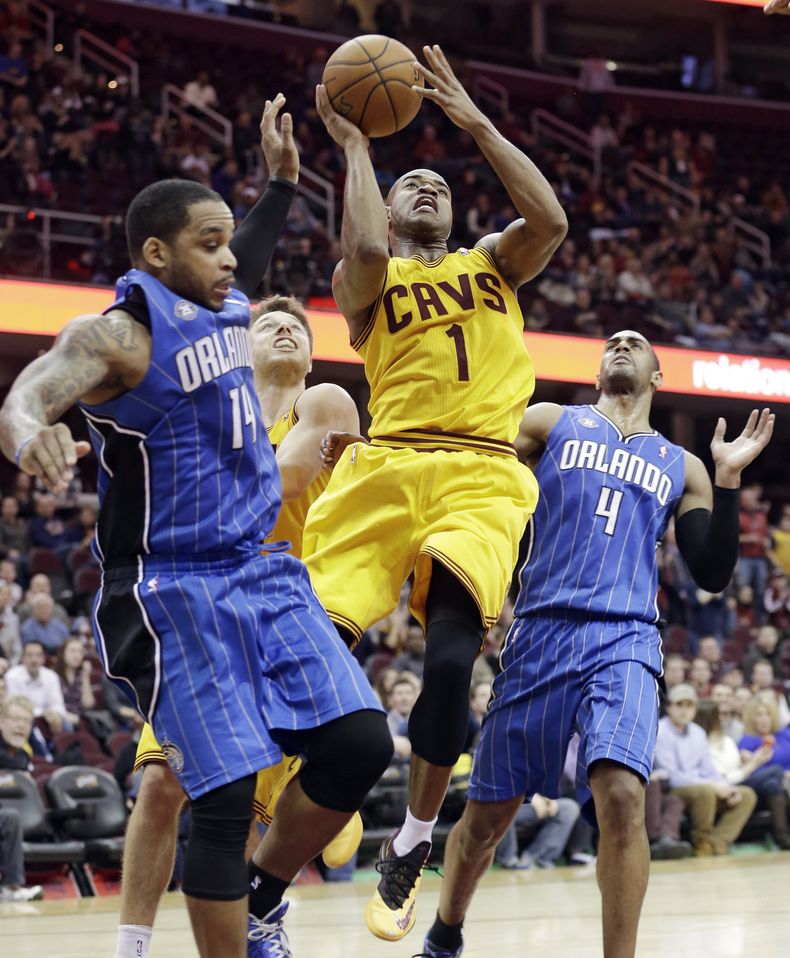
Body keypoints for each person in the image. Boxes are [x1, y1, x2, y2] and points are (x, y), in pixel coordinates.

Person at [0, 96, 392, 958]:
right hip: (173, 589)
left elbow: (247, 247)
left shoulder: (223, 303)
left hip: (260, 568)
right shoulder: (116, 339)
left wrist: (281, 185)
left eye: (226, 243)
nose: (229, 260)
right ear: (155, 254)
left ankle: (258, 899)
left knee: (360, 741)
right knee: (214, 797)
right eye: (206, 244)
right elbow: (30, 389)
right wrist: (30, 435)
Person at [310, 43, 567, 941]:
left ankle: (414, 839)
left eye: (439, 185)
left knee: (455, 660)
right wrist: (353, 148)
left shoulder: (493, 264)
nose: (427, 189)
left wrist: (476, 124)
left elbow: (551, 220)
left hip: (482, 472)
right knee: (316, 640)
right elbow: (367, 246)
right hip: (388, 463)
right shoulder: (364, 281)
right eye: (408, 181)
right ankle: (324, 788)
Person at [419, 330, 773, 958]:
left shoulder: (681, 464)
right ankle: (447, 930)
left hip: (625, 637)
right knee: (485, 822)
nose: (622, 343)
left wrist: (724, 479)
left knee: (622, 794)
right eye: (612, 340)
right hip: (540, 631)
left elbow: (713, 574)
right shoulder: (551, 422)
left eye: (636, 342)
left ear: (657, 376)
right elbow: (476, 470)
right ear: (599, 365)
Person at [115, 293, 368, 958]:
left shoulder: (325, 403)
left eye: (296, 326)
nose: (284, 327)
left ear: (312, 355)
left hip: (281, 615)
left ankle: (257, 917)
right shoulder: (213, 408)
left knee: (243, 804)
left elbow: (283, 480)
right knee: (162, 782)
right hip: (202, 606)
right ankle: (131, 944)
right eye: (267, 324)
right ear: (240, 349)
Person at [654, 684, 757, 856]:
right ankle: (701, 841)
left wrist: (726, 787)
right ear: (669, 707)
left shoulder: (698, 732)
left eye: (689, 706)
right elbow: (671, 776)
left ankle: (717, 842)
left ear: (695, 709)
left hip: (703, 786)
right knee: (706, 790)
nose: (684, 711)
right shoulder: (660, 731)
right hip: (673, 790)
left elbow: (709, 769)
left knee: (746, 794)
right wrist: (712, 785)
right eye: (679, 705)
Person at [694, 699, 790, 849]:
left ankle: (782, 837)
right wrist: (754, 762)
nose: (724, 718)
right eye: (720, 714)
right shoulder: (703, 743)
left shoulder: (727, 741)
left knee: (773, 783)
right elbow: (724, 777)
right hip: (732, 783)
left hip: (747, 780)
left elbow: (737, 770)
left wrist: (748, 763)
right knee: (776, 771)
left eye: (728, 714)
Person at [0, 698, 43, 902]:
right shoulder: (15, 759)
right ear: (1, 720)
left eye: (26, 721)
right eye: (16, 719)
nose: (20, 726)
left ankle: (11, 887)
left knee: (10, 818)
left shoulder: (23, 754)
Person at [5, 641, 69, 735]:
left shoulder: (51, 676)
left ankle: (58, 749)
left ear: (43, 658)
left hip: (49, 720)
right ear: (23, 658)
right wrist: (43, 713)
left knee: (66, 724)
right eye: (29, 655)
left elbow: (58, 705)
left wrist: (55, 715)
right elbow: (16, 707)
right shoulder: (12, 676)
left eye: (38, 655)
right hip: (22, 719)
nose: (34, 659)